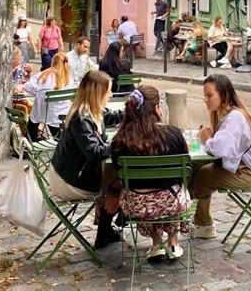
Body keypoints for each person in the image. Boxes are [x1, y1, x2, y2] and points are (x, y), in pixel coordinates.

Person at [112, 86, 190, 259]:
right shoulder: (173, 134)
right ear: (156, 109)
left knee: (146, 191)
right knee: (173, 189)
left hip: (137, 206)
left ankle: (157, 243)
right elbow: (184, 170)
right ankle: (173, 242)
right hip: (170, 204)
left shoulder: (120, 140)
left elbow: (119, 173)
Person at [49, 70, 124, 249]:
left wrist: (130, 110)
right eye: (109, 91)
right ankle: (108, 228)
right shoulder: (81, 118)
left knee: (118, 176)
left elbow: (111, 117)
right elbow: (95, 152)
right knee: (120, 181)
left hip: (74, 173)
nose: (111, 95)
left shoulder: (91, 111)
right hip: (71, 181)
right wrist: (119, 144)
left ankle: (105, 230)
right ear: (98, 94)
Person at [190, 74, 251, 239]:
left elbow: (222, 150)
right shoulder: (231, 113)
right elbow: (225, 145)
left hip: (247, 173)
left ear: (224, 96)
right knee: (196, 168)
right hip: (244, 166)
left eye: (209, 95)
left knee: (200, 175)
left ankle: (199, 222)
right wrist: (212, 138)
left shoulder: (234, 118)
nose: (205, 99)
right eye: (204, 95)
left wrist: (207, 139)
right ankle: (202, 222)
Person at [25, 52, 74, 141]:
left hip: (41, 112)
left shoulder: (43, 75)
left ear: (53, 62)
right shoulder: (69, 80)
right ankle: (60, 142)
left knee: (33, 121)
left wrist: (38, 93)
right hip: (60, 115)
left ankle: (30, 142)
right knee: (55, 123)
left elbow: (27, 87)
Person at [11, 46, 33, 120]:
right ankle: (25, 131)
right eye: (19, 56)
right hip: (12, 101)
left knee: (36, 108)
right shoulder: (7, 72)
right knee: (24, 109)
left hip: (20, 99)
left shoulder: (20, 69)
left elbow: (26, 81)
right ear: (13, 58)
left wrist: (29, 73)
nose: (21, 58)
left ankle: (34, 129)